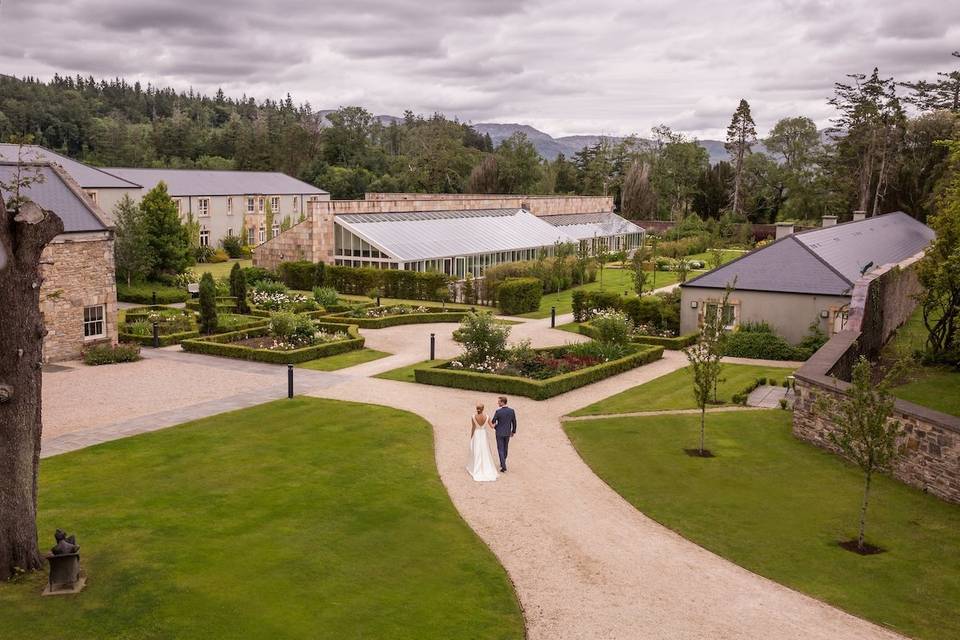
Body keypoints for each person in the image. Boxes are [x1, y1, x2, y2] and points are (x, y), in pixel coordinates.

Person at [467, 403, 499, 482]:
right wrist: (497, 423)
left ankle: (475, 467)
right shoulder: (487, 417)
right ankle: (486, 467)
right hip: (483, 434)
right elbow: (492, 426)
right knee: (485, 450)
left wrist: (471, 437)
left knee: (477, 450)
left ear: (477, 408)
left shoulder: (473, 417)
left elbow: (473, 427)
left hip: (477, 434)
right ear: (483, 409)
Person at [490, 396, 517, 472]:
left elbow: (493, 422)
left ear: (502, 402)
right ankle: (503, 462)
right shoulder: (511, 411)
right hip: (507, 432)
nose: (498, 403)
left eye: (499, 402)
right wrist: (513, 431)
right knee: (505, 448)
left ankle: (503, 465)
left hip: (499, 433)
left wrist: (496, 427)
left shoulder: (498, 412)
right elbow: (514, 422)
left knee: (500, 449)